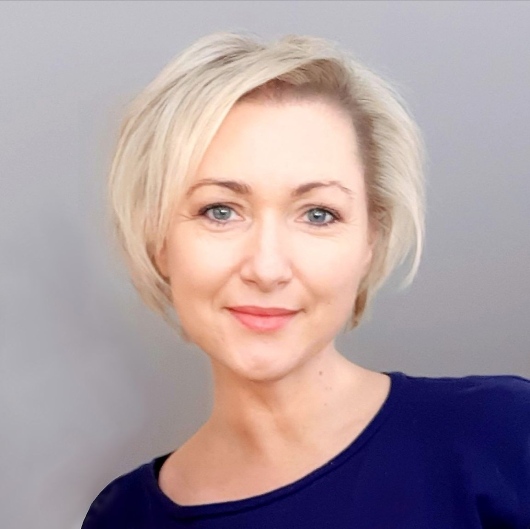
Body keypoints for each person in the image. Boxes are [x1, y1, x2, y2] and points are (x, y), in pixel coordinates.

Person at [82, 31, 530, 528]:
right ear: (159, 240)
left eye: (318, 214)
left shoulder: (505, 435)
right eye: (220, 210)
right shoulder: (122, 517)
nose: (267, 268)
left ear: (371, 241)